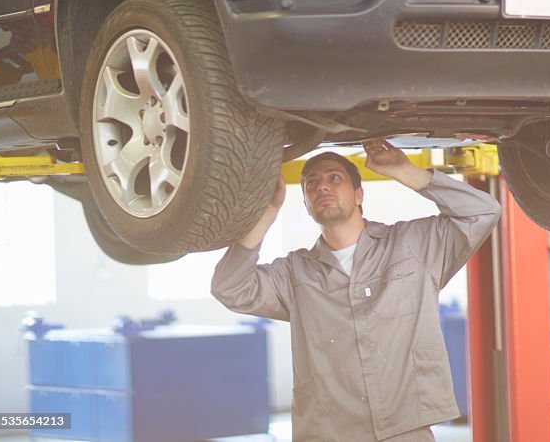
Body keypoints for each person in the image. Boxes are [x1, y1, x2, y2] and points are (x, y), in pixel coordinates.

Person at [211, 140, 501, 442]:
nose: (322, 187)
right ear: (307, 205)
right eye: (312, 183)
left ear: (359, 194)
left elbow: (483, 212)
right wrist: (267, 212)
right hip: (330, 432)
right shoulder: (294, 273)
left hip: (405, 427)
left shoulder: (413, 245)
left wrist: (405, 171)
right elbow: (229, 287)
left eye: (334, 178)